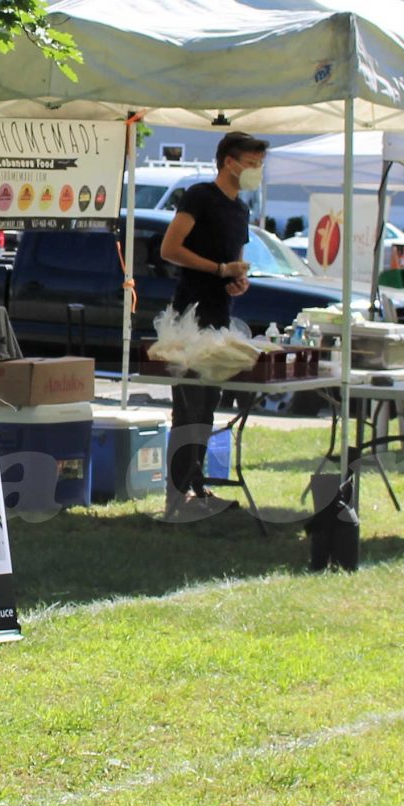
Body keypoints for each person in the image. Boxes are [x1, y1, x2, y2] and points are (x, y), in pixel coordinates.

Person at [156, 130, 264, 523]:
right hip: (189, 317)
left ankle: (195, 486)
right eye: (252, 163)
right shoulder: (200, 196)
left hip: (221, 316)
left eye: (259, 164)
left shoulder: (241, 210)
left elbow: (235, 260)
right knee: (188, 407)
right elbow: (170, 249)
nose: (256, 171)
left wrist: (237, 280)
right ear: (230, 162)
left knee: (208, 407)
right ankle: (177, 494)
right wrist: (218, 269)